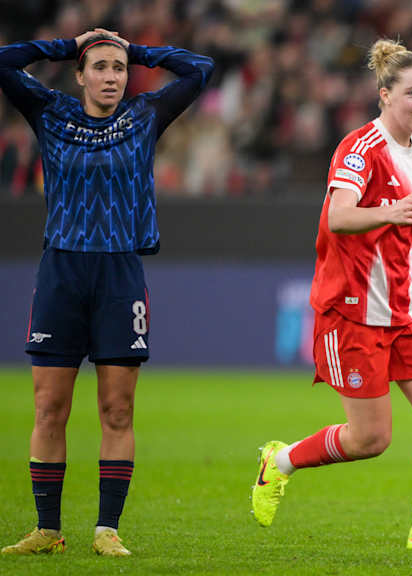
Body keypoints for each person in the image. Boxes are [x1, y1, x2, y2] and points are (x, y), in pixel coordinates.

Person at [250, 39, 412, 553]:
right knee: (370, 440)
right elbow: (338, 216)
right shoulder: (359, 149)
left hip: (409, 308)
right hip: (352, 312)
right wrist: (391, 212)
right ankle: (279, 462)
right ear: (384, 96)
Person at [0, 30, 212, 556]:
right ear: (80, 75)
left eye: (119, 68)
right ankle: (47, 529)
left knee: (117, 410)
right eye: (99, 67)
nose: (112, 77)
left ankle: (106, 529)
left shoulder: (143, 116)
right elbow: (4, 62)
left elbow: (200, 68)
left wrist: (138, 50)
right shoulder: (50, 112)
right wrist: (68, 42)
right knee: (50, 407)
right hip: (62, 272)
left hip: (119, 273)